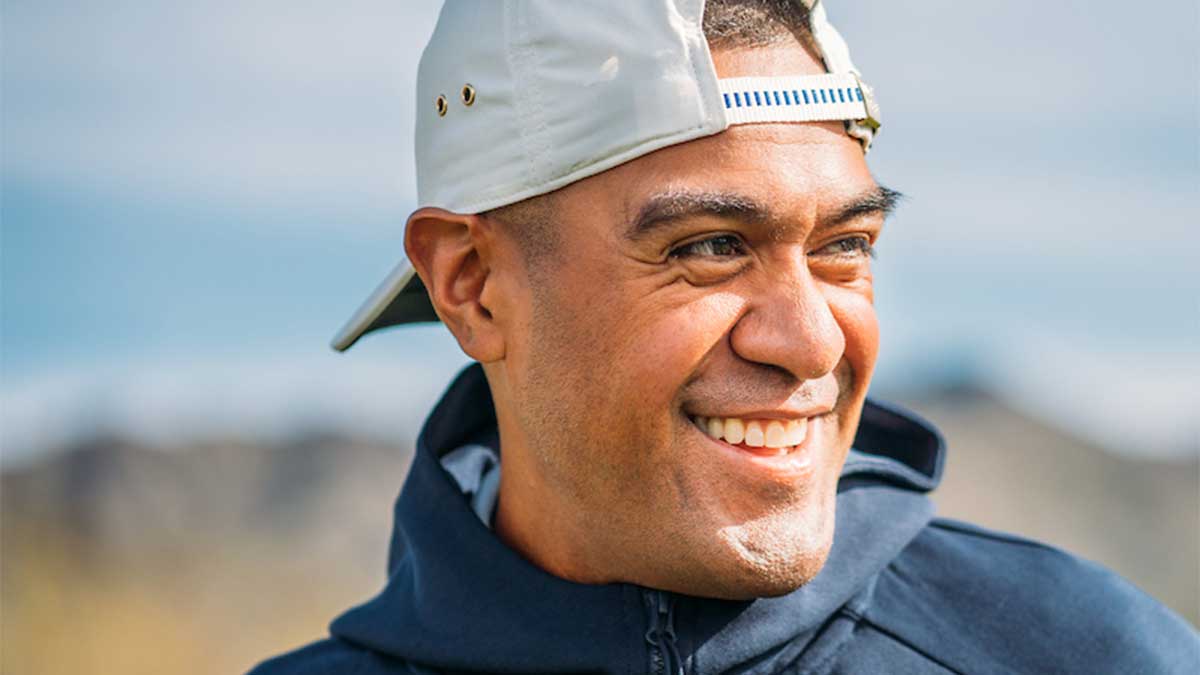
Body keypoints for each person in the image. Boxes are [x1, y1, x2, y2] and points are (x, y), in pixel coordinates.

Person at [250, 1, 1200, 672]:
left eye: (845, 246)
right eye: (710, 246)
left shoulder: (1085, 650)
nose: (811, 342)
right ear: (474, 285)